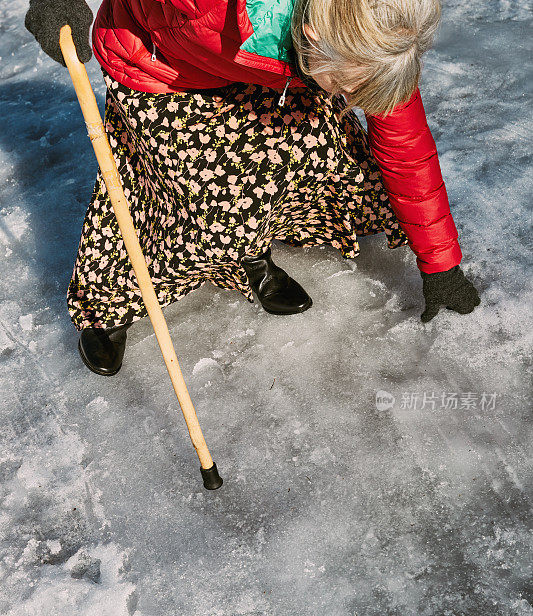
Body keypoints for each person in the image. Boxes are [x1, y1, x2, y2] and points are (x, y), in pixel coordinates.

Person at [25, 0, 480, 376]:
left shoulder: (370, 29)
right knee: (189, 195)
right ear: (323, 41)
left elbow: (405, 143)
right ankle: (109, 304)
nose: (346, 98)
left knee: (319, 145)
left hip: (271, 66)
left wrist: (440, 263)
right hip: (162, 64)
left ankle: (251, 254)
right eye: (346, 86)